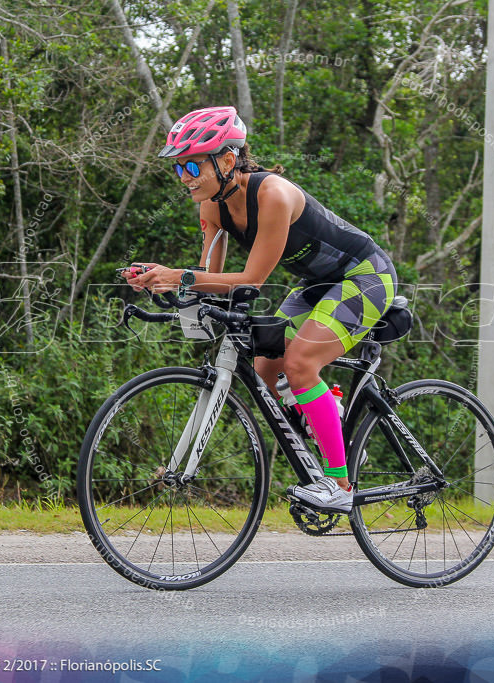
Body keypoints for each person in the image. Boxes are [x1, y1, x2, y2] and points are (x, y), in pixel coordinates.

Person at [127, 105, 397, 513]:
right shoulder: (211, 207)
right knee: (267, 366)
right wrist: (161, 286)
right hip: (316, 284)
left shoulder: (272, 194)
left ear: (227, 161)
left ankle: (339, 485)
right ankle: (325, 415)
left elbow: (252, 280)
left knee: (301, 363)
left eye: (191, 167)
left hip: (365, 276)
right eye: (178, 169)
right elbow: (208, 279)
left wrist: (178, 275)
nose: (184, 179)